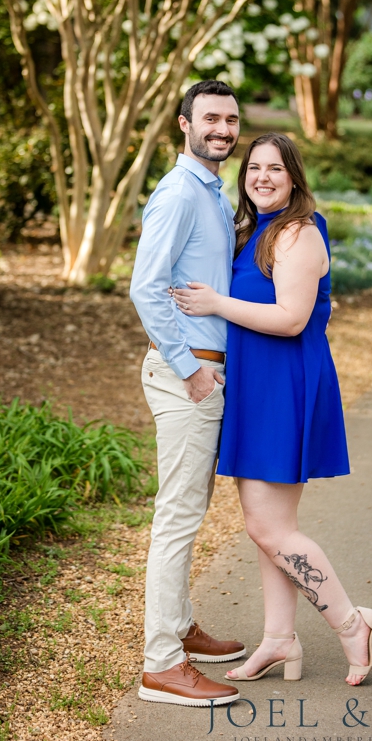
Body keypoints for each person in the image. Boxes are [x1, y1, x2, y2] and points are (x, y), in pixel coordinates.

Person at [172, 133, 372, 686]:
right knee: (267, 525)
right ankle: (279, 640)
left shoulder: (297, 233)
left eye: (276, 168)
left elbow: (292, 317)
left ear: (294, 177)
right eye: (254, 168)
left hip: (285, 387)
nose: (263, 177)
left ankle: (350, 623)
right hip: (257, 385)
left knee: (270, 527)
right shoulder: (256, 231)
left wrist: (215, 303)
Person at [128, 80, 246, 708]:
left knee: (189, 513)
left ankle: (180, 627)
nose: (222, 130)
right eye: (210, 119)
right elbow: (146, 288)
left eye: (230, 119)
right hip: (185, 377)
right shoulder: (178, 193)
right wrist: (188, 368)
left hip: (204, 371)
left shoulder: (212, 192)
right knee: (175, 519)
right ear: (184, 125)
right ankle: (161, 664)